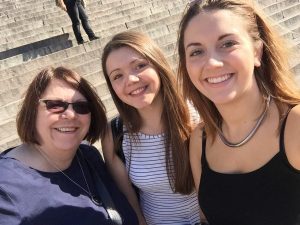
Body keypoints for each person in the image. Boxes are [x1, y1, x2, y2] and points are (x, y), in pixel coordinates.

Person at [177, 0, 300, 224]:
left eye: (227, 44)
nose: (212, 63)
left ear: (257, 51)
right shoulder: (200, 139)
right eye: (196, 51)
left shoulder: (296, 125)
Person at [0, 66, 138, 225]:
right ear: (32, 110)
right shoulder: (6, 189)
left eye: (81, 106)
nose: (71, 114)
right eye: (55, 105)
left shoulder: (89, 155)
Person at [101, 31, 200, 225]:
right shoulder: (114, 134)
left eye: (139, 66)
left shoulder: (199, 111)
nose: (130, 80)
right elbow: (133, 208)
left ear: (158, 65)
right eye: (117, 76)